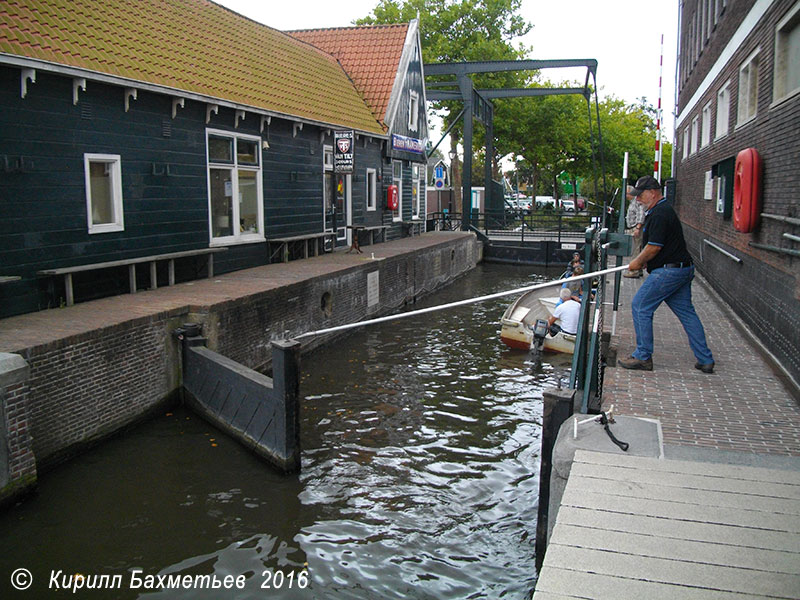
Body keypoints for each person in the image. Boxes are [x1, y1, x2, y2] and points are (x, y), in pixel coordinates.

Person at [618, 176, 715, 373]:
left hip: (669, 272)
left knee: (640, 306)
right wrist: (649, 262)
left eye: (641, 195)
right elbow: (660, 246)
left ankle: (643, 356)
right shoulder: (661, 210)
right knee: (686, 312)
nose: (638, 199)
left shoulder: (660, 213)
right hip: (681, 268)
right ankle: (705, 359)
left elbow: (654, 247)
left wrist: (638, 261)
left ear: (653, 192)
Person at [623, 185, 645, 278]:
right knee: (637, 248)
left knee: (635, 249)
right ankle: (638, 269)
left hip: (636, 228)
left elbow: (641, 213)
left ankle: (634, 271)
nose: (626, 196)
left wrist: (638, 227)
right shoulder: (633, 201)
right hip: (634, 227)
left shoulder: (637, 201)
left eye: (627, 193)